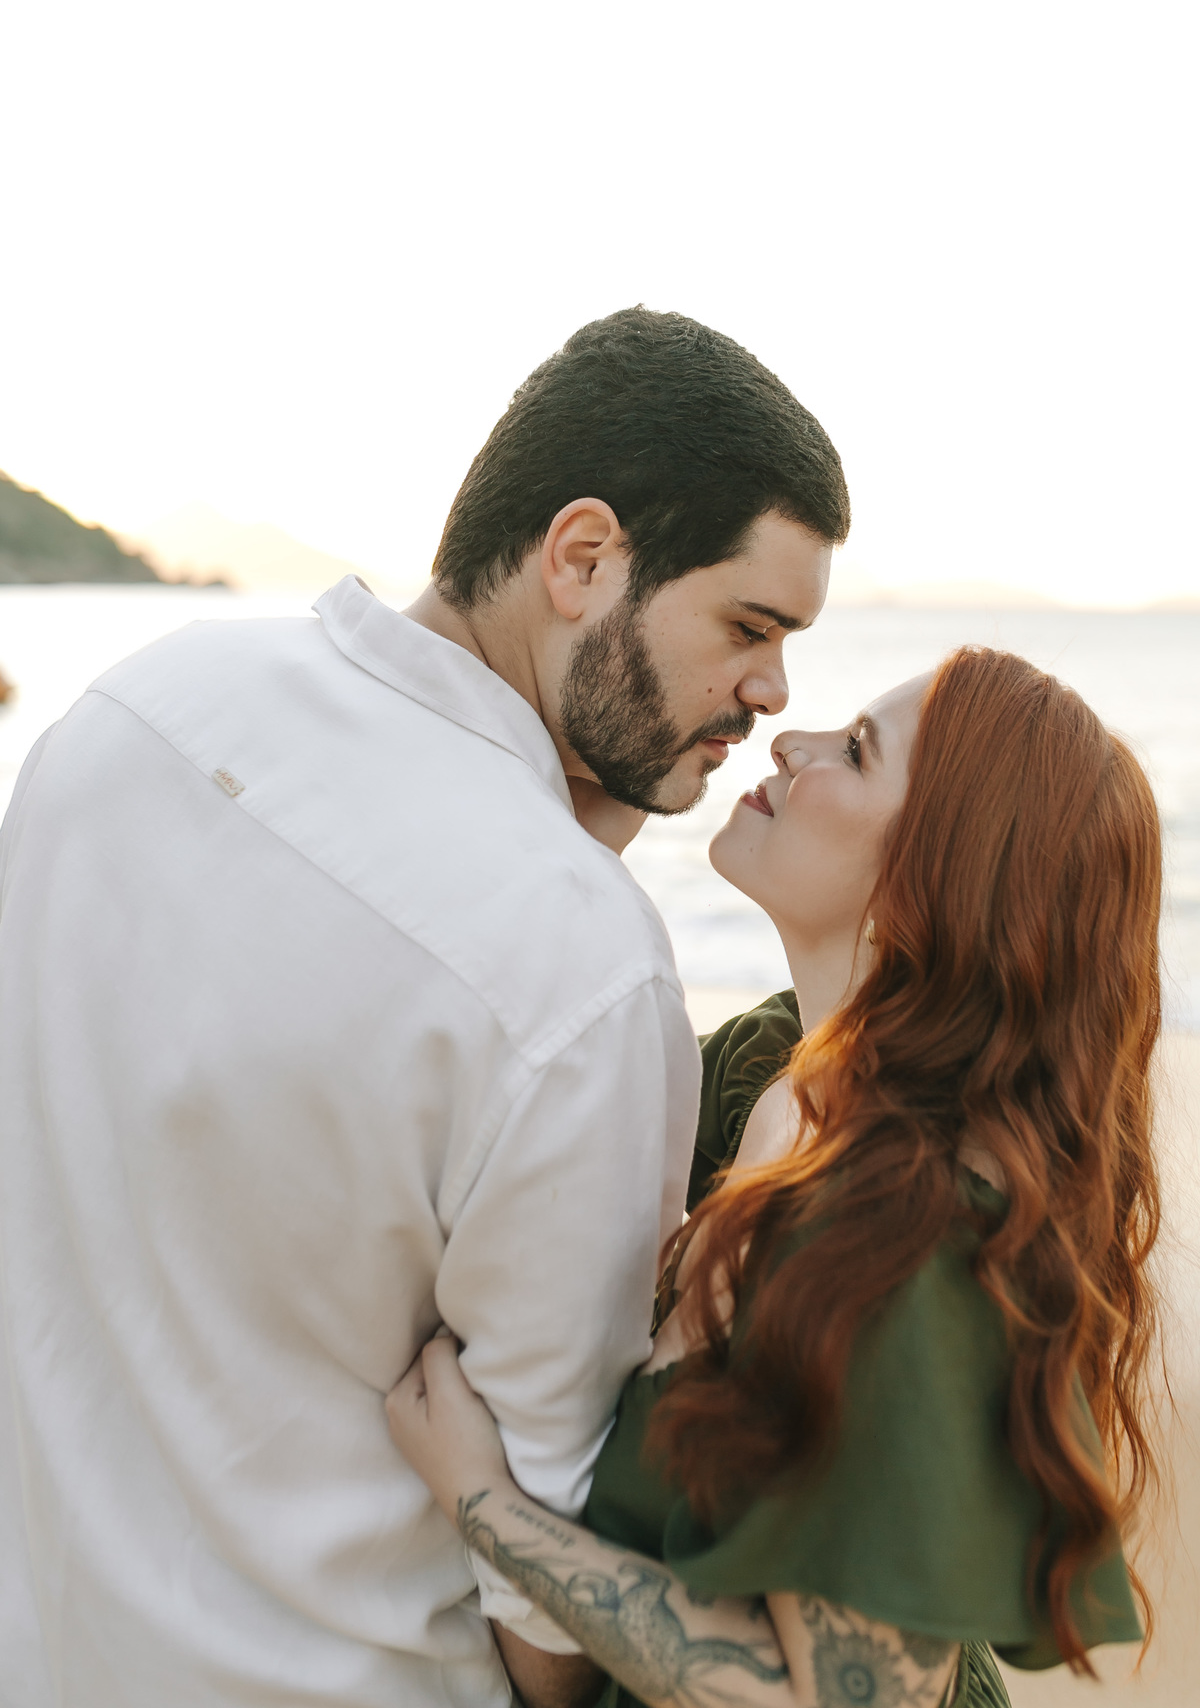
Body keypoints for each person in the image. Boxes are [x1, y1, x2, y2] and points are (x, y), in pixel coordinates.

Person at [0, 308, 849, 1707]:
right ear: (583, 558)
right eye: (747, 627)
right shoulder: (580, 966)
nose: (770, 691)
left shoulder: (134, 709)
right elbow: (551, 1636)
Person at [390, 646, 1163, 1708]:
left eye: (858, 749)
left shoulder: (906, 1231)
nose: (791, 739)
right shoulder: (759, 1071)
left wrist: (484, 1504)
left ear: (935, 879)